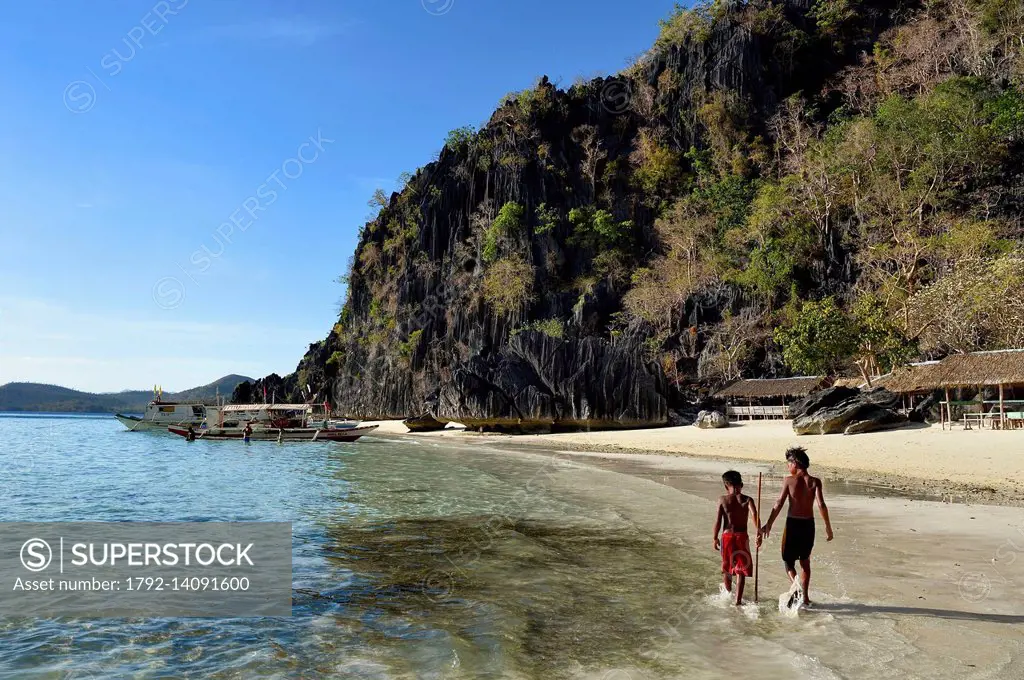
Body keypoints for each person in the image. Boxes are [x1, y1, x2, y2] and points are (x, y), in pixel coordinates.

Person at [761, 446, 834, 607]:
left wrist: (769, 524)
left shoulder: (789, 480)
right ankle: (805, 598)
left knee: (788, 561)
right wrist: (828, 526)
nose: (788, 467)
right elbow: (821, 505)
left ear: (795, 463)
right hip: (809, 525)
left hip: (793, 525)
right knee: (805, 562)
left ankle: (797, 588)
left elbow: (779, 503)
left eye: (788, 463)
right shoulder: (815, 482)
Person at [713, 470, 761, 606]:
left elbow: (718, 521)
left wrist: (715, 538)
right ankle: (737, 601)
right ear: (742, 484)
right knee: (741, 569)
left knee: (727, 568)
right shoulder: (747, 500)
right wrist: (759, 531)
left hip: (727, 536)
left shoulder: (722, 500)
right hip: (742, 537)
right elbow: (755, 516)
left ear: (725, 485)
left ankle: (727, 594)